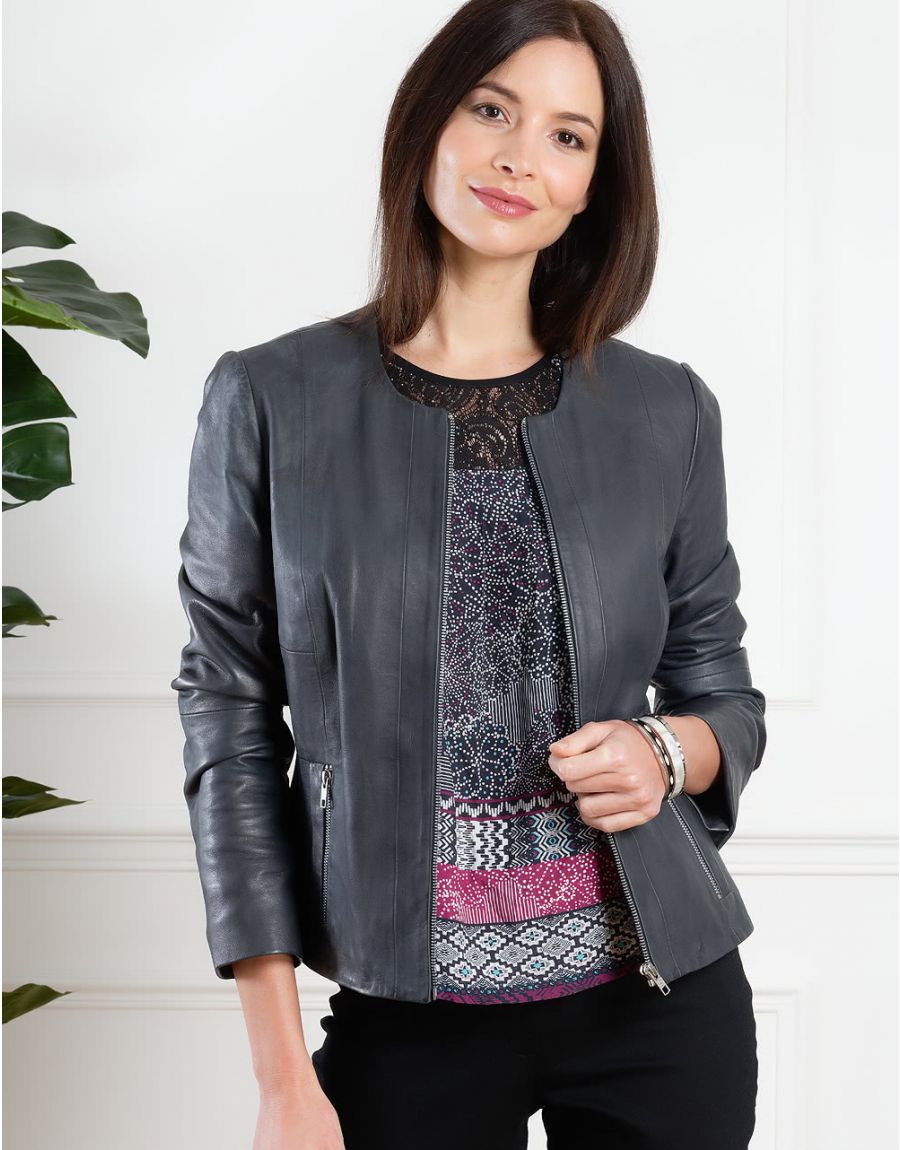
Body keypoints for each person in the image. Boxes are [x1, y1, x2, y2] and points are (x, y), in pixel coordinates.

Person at [171, 1, 766, 1147]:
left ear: (593, 186)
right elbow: (229, 724)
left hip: (661, 1004)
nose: (519, 157)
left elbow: (724, 698)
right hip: (409, 1021)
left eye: (567, 135)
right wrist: (285, 1080)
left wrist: (662, 751)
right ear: (429, 121)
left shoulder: (666, 411)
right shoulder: (272, 398)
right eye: (493, 109)